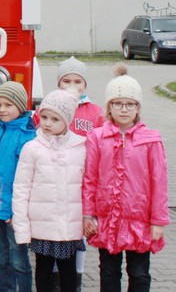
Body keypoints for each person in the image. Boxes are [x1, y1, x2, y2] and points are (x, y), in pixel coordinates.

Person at [83, 64, 169, 292]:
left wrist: (158, 221)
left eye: (130, 104)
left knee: (139, 273)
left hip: (139, 220)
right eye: (118, 103)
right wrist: (88, 214)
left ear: (138, 107)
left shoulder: (150, 139)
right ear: (109, 106)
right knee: (109, 271)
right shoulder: (97, 137)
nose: (124, 109)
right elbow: (90, 177)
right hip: (107, 218)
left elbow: (159, 182)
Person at [32, 56, 104, 288]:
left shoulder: (95, 112)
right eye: (66, 81)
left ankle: (76, 279)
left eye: (77, 81)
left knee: (74, 239)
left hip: (79, 183)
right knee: (49, 242)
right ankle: (52, 281)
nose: (72, 85)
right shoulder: (49, 107)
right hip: (51, 183)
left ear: (85, 84)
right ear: (58, 83)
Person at [13, 90, 85, 292]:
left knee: (68, 270)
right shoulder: (32, 148)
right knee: (43, 268)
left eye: (55, 119)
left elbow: (87, 186)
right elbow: (21, 187)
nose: (47, 123)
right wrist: (21, 223)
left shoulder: (80, 147)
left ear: (67, 121)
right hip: (42, 223)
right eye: (44, 117)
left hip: (70, 224)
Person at [0, 81, 35, 292]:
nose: (2, 110)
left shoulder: (28, 135)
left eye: (8, 105)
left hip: (14, 208)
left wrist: (21, 209)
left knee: (18, 257)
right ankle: (6, 288)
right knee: (1, 255)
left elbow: (30, 177)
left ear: (20, 106)